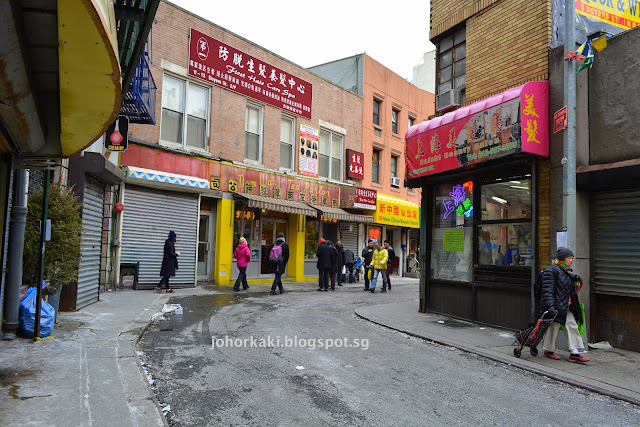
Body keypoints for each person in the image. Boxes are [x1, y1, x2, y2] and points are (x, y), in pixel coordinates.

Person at [541, 247, 589, 362]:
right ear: (562, 259)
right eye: (569, 258)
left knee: (572, 326)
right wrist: (550, 306)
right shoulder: (551, 270)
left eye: (572, 258)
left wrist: (577, 280)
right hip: (556, 306)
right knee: (553, 327)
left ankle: (575, 353)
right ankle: (548, 350)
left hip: (567, 306)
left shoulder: (568, 272)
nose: (571, 260)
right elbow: (548, 290)